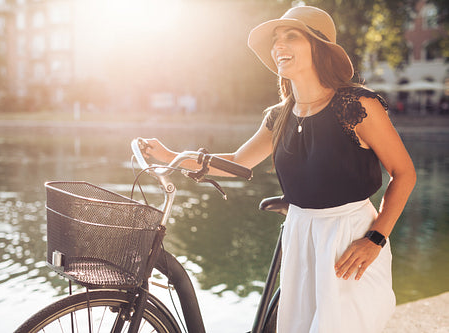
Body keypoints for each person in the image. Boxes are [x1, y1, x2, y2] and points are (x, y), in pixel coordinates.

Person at [143, 6, 416, 333]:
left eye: (291, 36)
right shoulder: (279, 115)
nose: (278, 47)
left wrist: (375, 238)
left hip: (349, 235)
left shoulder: (356, 106)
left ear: (318, 47)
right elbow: (238, 162)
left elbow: (404, 173)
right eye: (275, 40)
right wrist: (170, 155)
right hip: (299, 233)